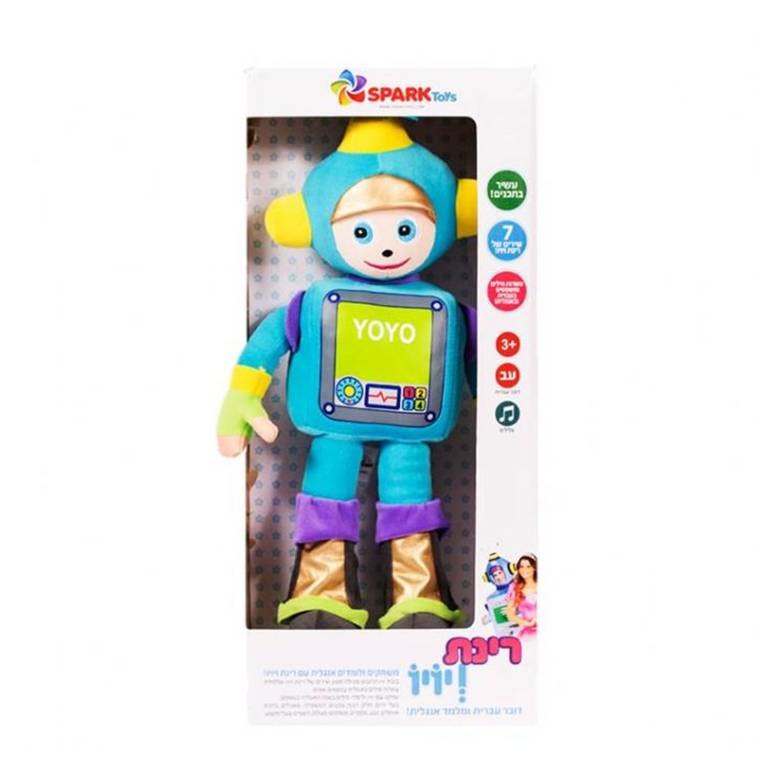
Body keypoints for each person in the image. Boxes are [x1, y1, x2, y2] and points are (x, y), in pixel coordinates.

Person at [506, 553, 537, 637]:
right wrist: (527, 623)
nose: (524, 570)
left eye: (528, 566)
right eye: (521, 567)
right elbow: (510, 614)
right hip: (529, 632)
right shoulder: (514, 588)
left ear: (534, 568)